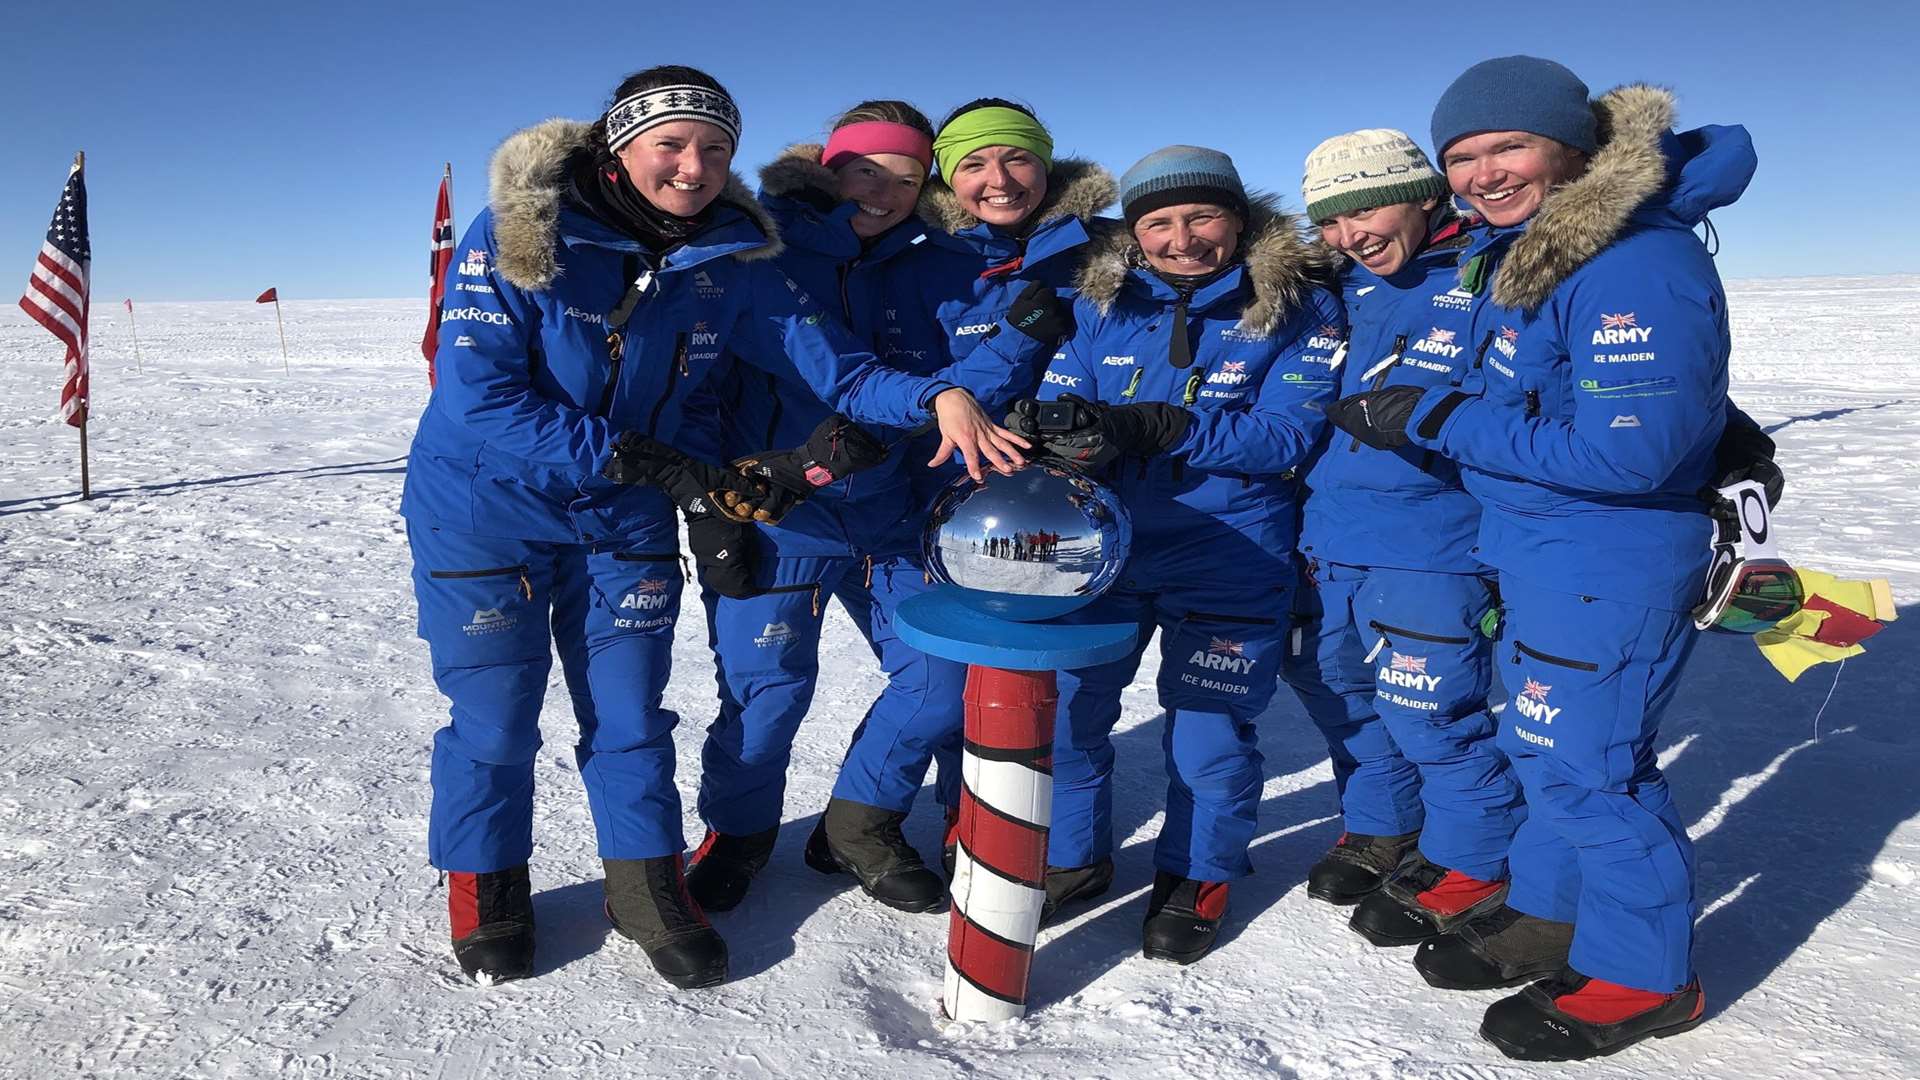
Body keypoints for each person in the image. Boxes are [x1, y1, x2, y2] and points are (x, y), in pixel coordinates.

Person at [400, 65, 1025, 990]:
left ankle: (646, 885)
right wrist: (659, 464)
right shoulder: (523, 232)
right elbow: (481, 396)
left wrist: (939, 395)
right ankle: (485, 884)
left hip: (624, 522)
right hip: (488, 515)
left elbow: (837, 367)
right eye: (672, 144)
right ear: (621, 147)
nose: (693, 167)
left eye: (715, 148)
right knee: (495, 719)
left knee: (629, 714)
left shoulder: (732, 259)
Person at [1326, 56, 1762, 1059]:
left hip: (1605, 552)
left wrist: (1435, 415)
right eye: (1463, 156)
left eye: (1507, 146)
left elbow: (1629, 452)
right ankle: (1554, 914)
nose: (1483, 172)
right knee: (1541, 748)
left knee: (1590, 771)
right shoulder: (1528, 251)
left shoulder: (1629, 261)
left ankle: (1645, 976)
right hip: (1535, 545)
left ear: (1572, 149)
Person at [680, 101, 1073, 916]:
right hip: (781, 515)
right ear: (828, 171)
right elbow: (839, 371)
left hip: (892, 514)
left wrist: (1009, 347)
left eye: (905, 177)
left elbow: (977, 356)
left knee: (938, 678)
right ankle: (740, 833)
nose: (884, 192)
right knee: (768, 696)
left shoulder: (928, 259)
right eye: (864, 171)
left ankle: (859, 821)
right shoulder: (765, 255)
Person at [1009, 146, 1342, 964]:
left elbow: (1290, 435)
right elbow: (1062, 394)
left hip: (1232, 552)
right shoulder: (1103, 302)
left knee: (1209, 732)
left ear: (1239, 219)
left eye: (1201, 218)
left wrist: (1166, 425)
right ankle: (1073, 859)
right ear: (1135, 231)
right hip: (1104, 547)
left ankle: (1198, 874)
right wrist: (1062, 437)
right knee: (1073, 715)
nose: (1181, 238)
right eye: (1158, 222)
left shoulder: (1300, 306)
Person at [787, 97, 1117, 885]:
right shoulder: (918, 257)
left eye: (1016, 158)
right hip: (942, 496)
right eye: (972, 162)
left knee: (1043, 690)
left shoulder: (1106, 252)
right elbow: (924, 389)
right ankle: (919, 819)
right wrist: (1016, 342)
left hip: (1077, 497)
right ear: (948, 177)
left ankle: (990, 824)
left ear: (1048, 162)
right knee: (951, 674)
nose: (997, 179)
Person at [1281, 130, 1527, 945]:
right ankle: (1384, 824)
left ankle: (1473, 858)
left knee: (1433, 712)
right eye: (1332, 222)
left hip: (1433, 542)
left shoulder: (1490, 276)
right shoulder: (1339, 290)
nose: (1352, 234)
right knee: (1345, 696)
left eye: (1367, 208)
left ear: (1426, 196)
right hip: (1331, 535)